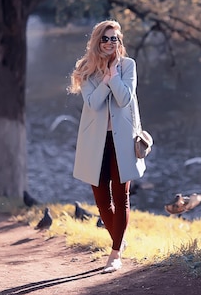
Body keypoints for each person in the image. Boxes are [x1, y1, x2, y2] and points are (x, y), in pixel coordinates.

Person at [68, 20, 146, 273]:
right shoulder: (86, 69)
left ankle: (114, 254)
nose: (110, 43)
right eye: (106, 38)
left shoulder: (128, 66)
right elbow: (93, 104)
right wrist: (105, 79)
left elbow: (124, 99)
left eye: (115, 39)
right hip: (95, 143)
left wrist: (114, 77)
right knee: (102, 201)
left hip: (122, 141)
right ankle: (119, 242)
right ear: (97, 41)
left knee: (121, 197)